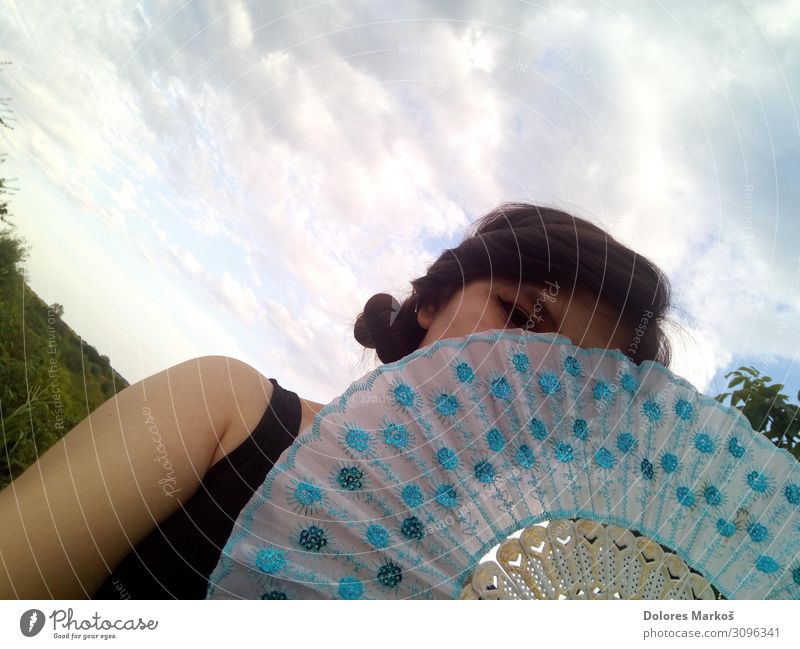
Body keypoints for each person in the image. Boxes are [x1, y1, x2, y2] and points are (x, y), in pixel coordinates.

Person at [0, 202, 676, 599]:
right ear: (433, 301)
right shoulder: (225, 410)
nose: (534, 375)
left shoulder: (475, 600)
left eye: (582, 379)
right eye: (523, 318)